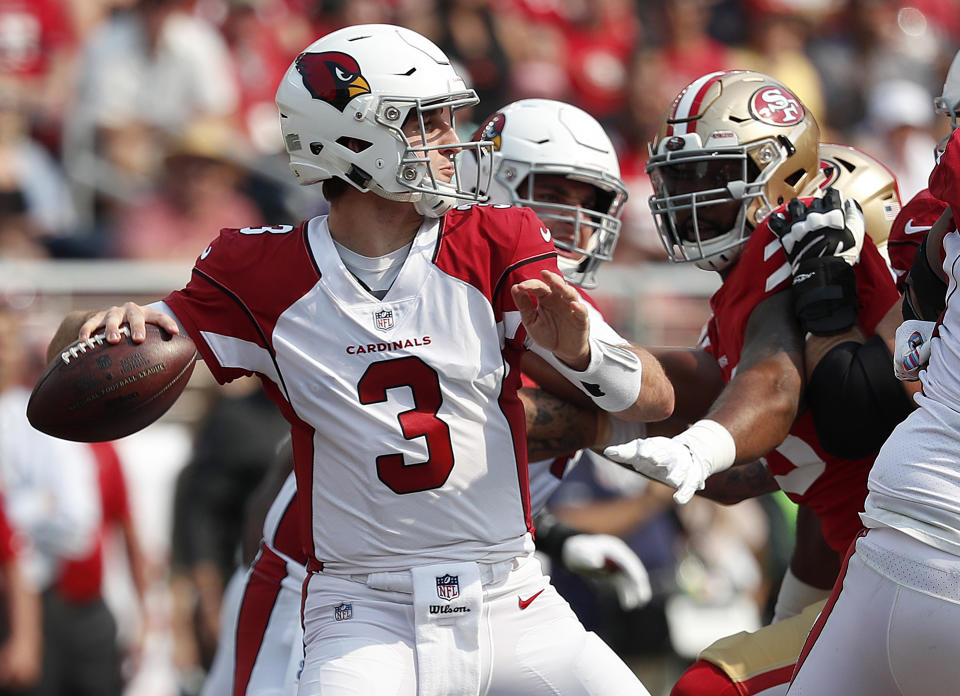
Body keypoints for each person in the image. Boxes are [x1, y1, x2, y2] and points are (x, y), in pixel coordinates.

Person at [47, 24, 676, 696]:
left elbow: (657, 399)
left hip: (508, 595)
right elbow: (76, 364)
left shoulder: (499, 236)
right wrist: (97, 330)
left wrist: (585, 352)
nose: (450, 142)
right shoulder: (257, 270)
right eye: (427, 123)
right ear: (351, 137)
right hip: (361, 610)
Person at [200, 96, 662, 696]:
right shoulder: (451, 283)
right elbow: (458, 432)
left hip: (476, 591)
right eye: (554, 192)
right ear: (494, 187)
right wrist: (619, 430)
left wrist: (554, 532)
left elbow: (460, 476)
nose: (575, 218)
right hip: (330, 598)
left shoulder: (552, 307)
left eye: (591, 200)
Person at [603, 70, 900, 625]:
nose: (689, 196)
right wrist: (593, 392)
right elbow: (797, 487)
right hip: (879, 562)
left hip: (913, 556)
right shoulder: (741, 293)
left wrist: (695, 447)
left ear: (781, 172)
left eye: (710, 174)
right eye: (683, 177)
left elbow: (774, 384)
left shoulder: (790, 244)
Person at [669, 142, 910, 696]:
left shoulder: (916, 333)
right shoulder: (746, 309)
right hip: (869, 570)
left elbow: (849, 418)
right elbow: (804, 493)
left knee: (709, 689)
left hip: (914, 566)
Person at [785, 127, 960, 696]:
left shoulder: (935, 226)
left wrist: (831, 306)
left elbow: (880, 392)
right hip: (900, 524)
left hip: (906, 519)